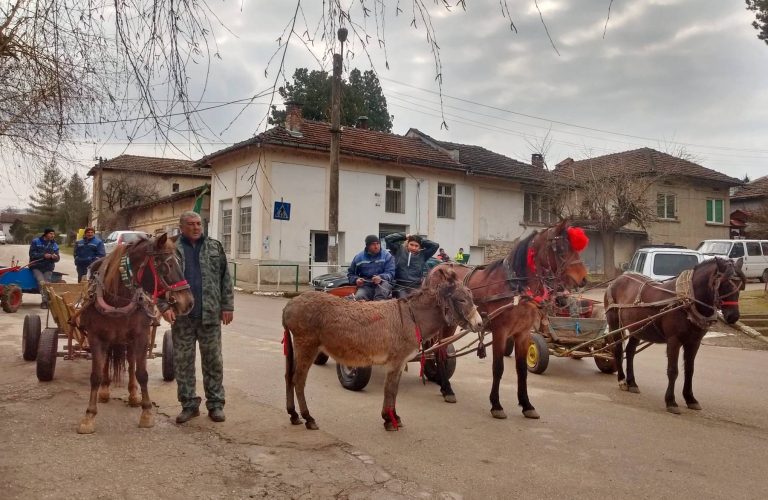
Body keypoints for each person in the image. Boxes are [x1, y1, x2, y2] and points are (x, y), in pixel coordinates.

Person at [160, 211, 234, 424]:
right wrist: (164, 306)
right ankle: (189, 405)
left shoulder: (214, 247)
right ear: (182, 227)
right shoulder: (172, 248)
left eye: (198, 224)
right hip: (182, 316)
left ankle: (216, 404)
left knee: (213, 361)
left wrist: (227, 306)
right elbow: (160, 280)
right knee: (183, 363)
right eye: (191, 224)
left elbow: (225, 278)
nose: (196, 227)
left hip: (209, 314)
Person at [384, 233, 439, 298]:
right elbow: (388, 239)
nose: (413, 248)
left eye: (416, 246)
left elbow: (435, 245)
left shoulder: (423, 255)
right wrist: (404, 236)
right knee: (404, 302)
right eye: (411, 245)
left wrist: (421, 240)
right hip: (399, 285)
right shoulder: (399, 250)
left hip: (416, 286)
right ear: (407, 244)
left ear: (420, 247)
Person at [347, 234, 395, 301]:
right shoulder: (359, 258)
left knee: (379, 299)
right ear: (367, 246)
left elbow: (391, 273)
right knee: (358, 298)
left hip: (383, 284)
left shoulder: (387, 256)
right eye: (373, 244)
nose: (376, 246)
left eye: (378, 244)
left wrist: (381, 277)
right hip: (366, 286)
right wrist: (356, 280)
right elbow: (350, 274)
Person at [29, 228, 60, 308]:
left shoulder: (54, 244)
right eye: (50, 233)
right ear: (45, 234)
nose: (52, 235)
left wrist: (55, 257)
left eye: (53, 234)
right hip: (36, 266)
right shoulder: (36, 241)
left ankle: (45, 301)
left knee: (47, 283)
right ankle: (45, 301)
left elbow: (58, 259)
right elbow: (32, 255)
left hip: (48, 267)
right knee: (41, 281)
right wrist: (44, 255)